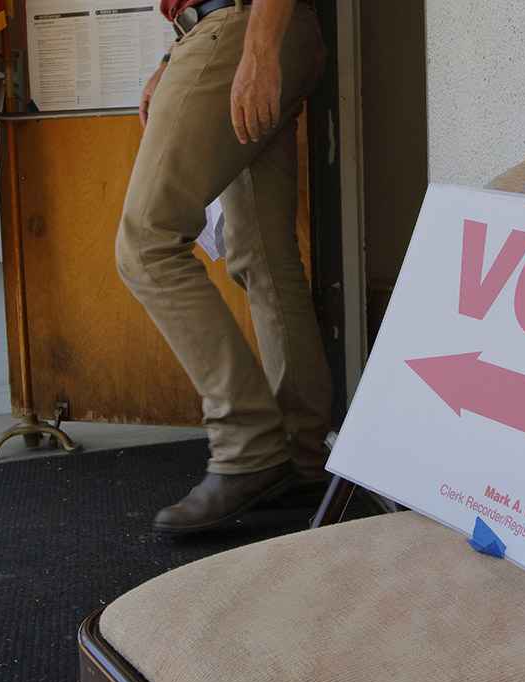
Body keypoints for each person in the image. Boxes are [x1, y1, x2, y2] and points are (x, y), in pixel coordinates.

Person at [116, 0, 331, 536]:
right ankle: (301, 459)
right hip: (253, 30)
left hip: (245, 27)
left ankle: (248, 446)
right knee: (264, 257)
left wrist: (257, 49)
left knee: (147, 242)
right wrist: (173, 53)